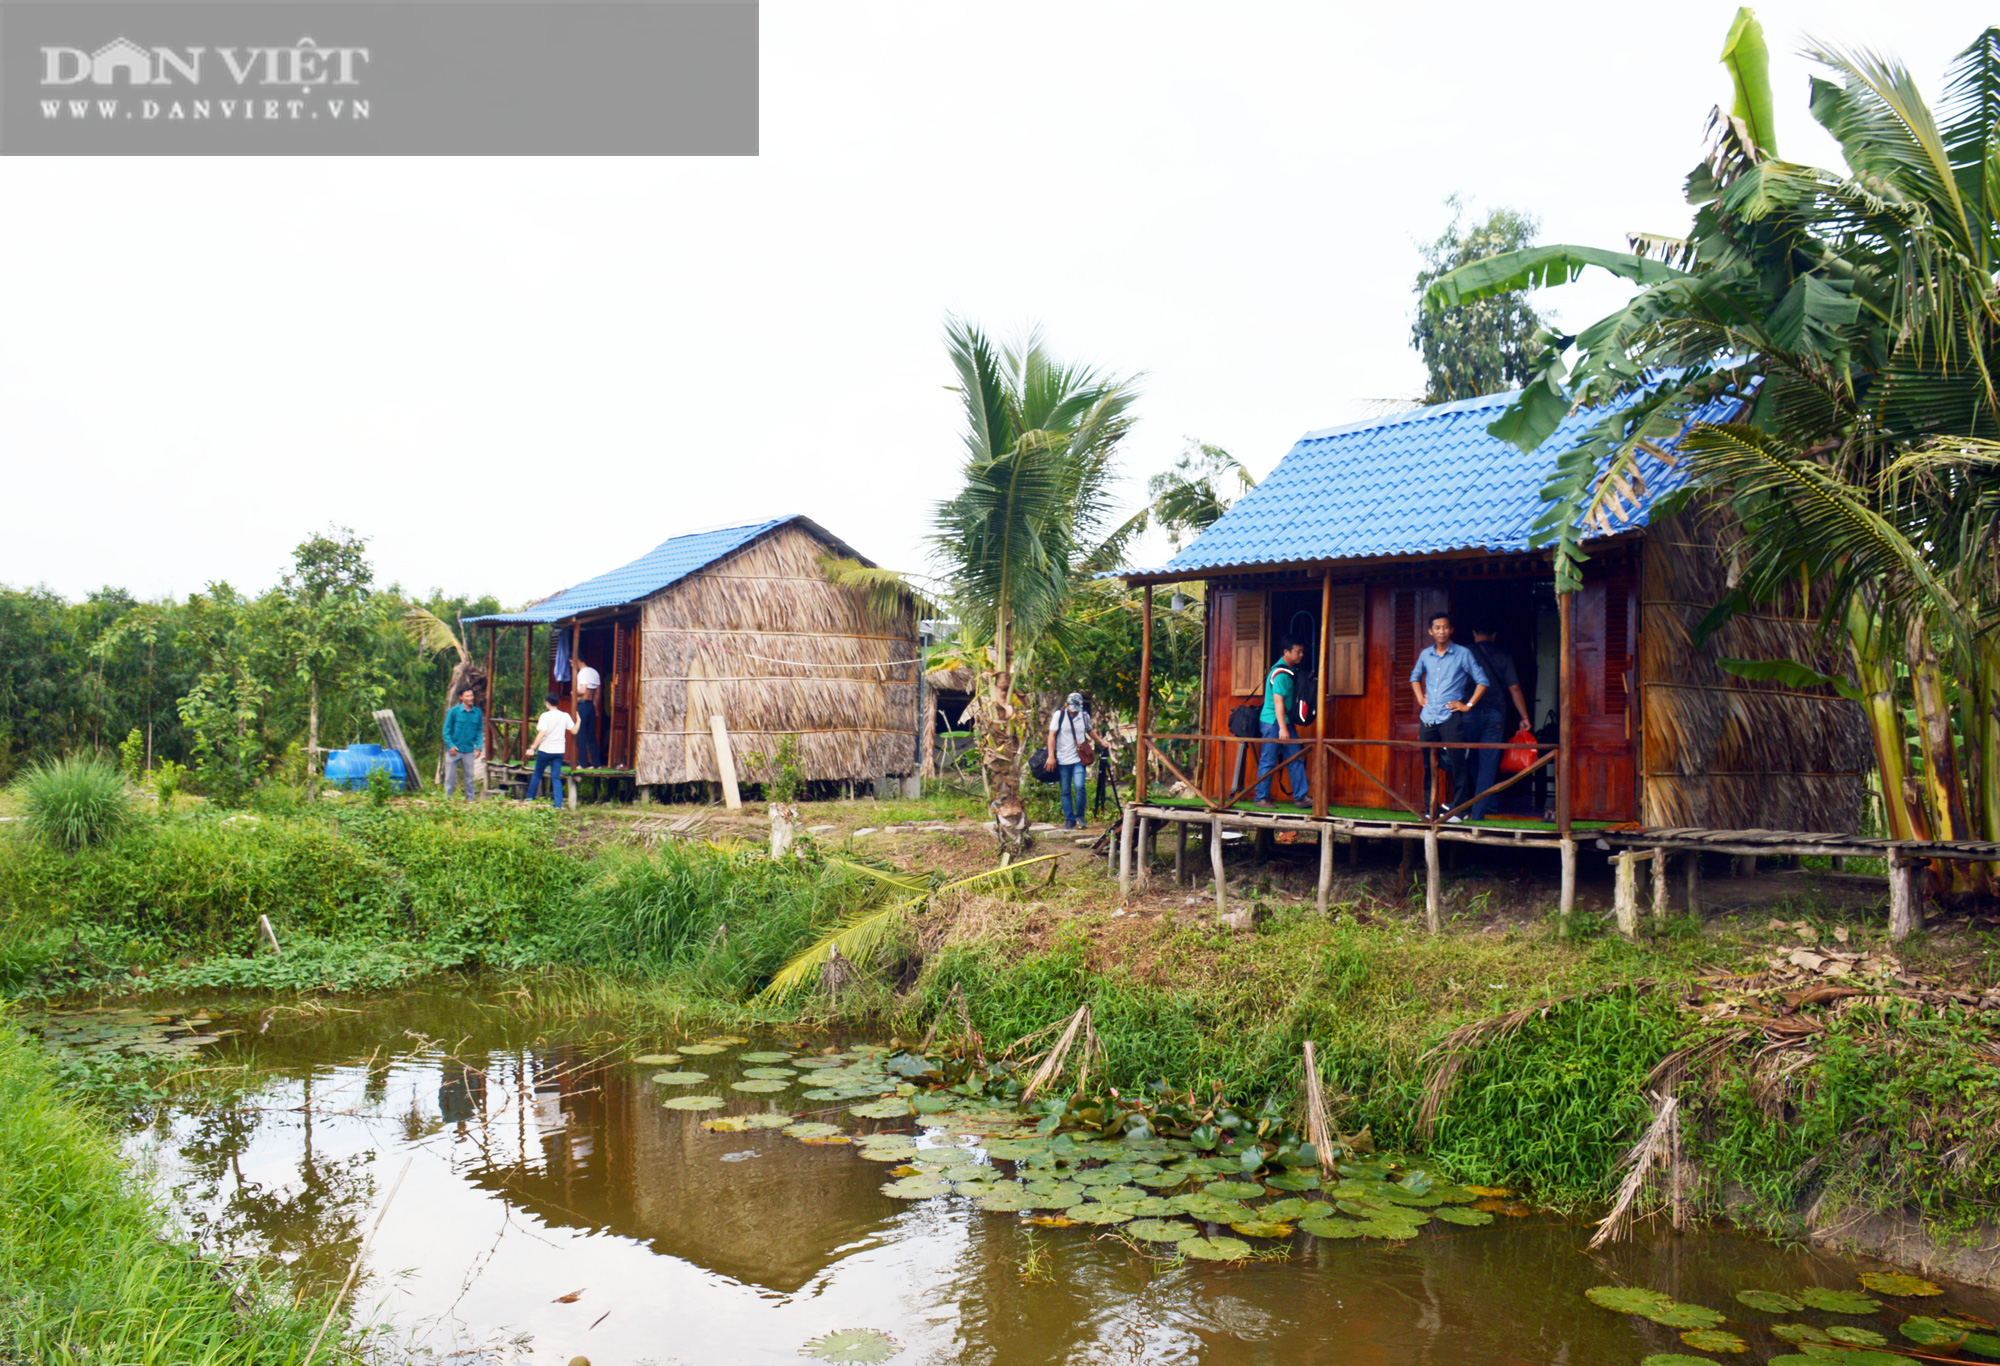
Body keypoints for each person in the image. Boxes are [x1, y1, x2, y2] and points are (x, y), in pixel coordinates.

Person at [1407, 612, 1488, 820]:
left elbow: (1482, 681)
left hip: (1451, 716)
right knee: (1429, 764)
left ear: (1451, 630)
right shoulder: (1426, 654)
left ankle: (1460, 812)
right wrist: (1419, 699)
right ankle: (1430, 810)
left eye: (1445, 627)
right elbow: (1415, 678)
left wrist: (1467, 705)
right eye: (1437, 628)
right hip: (1428, 717)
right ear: (1430, 631)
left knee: (1458, 762)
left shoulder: (1463, 653)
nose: (1441, 631)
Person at [1463, 625, 1532, 821]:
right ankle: (1482, 809)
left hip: (1468, 713)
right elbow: (1515, 688)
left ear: (1474, 633)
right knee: (1488, 763)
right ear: (1494, 635)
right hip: (1495, 715)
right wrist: (1524, 716)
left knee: (1468, 758)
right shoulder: (1503, 656)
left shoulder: (1464, 653)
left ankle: (1480, 804)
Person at [1254, 638, 1311, 808]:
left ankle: (1301, 797)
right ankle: (1261, 798)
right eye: (1298, 651)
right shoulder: (1280, 674)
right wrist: (1283, 729)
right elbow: (1278, 702)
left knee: (1295, 758)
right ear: (1286, 652)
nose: (1301, 655)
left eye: (1302, 651)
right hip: (1273, 722)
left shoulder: (1287, 671)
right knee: (1269, 760)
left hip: (1282, 721)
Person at [1048, 692, 1105, 829]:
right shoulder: (1059, 715)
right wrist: (1051, 756)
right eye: (1072, 709)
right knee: (1065, 790)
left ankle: (1080, 816)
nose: (1074, 713)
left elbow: (1090, 731)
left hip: (1079, 759)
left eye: (1076, 710)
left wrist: (1101, 741)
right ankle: (1069, 819)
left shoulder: (1084, 716)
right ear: (1067, 705)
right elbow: (1052, 736)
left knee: (1080, 786)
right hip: (1063, 759)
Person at [524, 690, 578, 809]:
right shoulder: (565, 716)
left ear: (547, 703)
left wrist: (532, 748)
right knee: (556, 777)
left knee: (537, 774)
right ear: (557, 703)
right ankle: (557, 804)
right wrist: (578, 721)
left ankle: (529, 799)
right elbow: (574, 731)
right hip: (559, 751)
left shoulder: (545, 716)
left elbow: (542, 733)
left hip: (545, 750)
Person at [441, 685, 483, 803]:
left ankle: (470, 800)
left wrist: (479, 747)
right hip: (454, 750)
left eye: (471, 695)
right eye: (467, 696)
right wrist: (450, 745)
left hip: (469, 750)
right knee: (450, 777)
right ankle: (447, 800)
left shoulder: (477, 712)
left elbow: (479, 731)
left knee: (469, 777)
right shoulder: (454, 712)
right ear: (461, 697)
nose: (470, 698)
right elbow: (446, 730)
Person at [574, 659, 603, 768]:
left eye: (572, 663)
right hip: (590, 705)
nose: (572, 665)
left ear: (577, 661)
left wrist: (573, 692)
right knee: (591, 735)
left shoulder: (583, 672)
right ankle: (597, 764)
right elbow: (597, 692)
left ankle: (583, 763)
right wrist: (595, 707)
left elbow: (583, 690)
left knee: (581, 734)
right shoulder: (594, 672)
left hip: (583, 704)